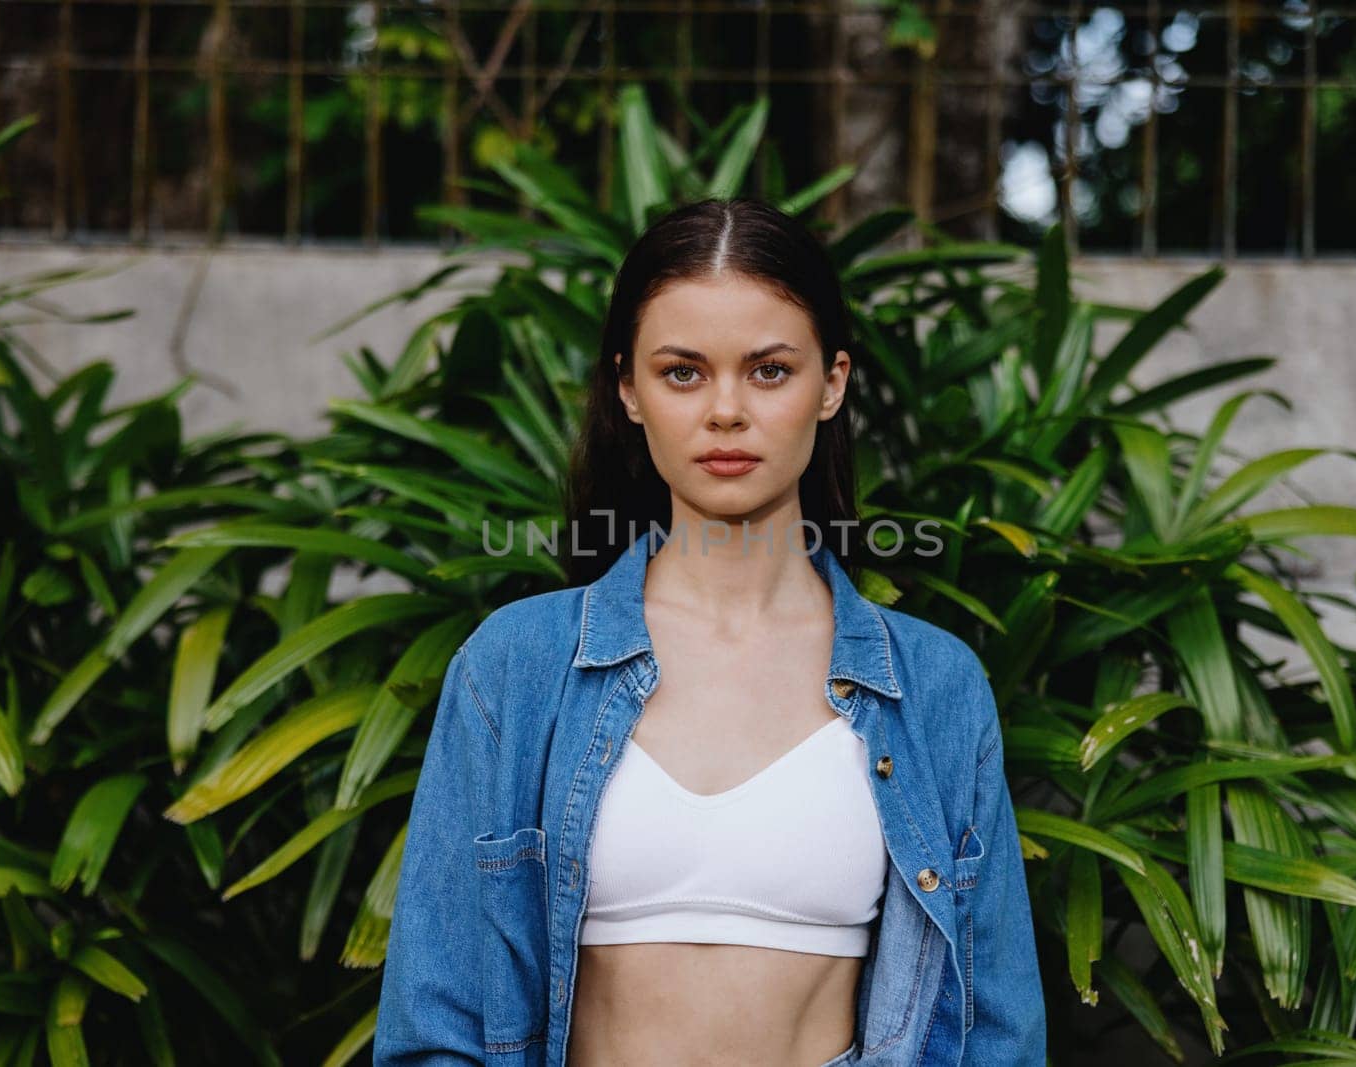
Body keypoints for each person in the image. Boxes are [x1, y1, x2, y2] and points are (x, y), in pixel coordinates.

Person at [374, 198, 1046, 1066]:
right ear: (630, 389)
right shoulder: (515, 666)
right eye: (683, 372)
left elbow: (996, 1034)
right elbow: (435, 1029)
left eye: (769, 371)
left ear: (832, 383)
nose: (726, 410)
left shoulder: (935, 685)